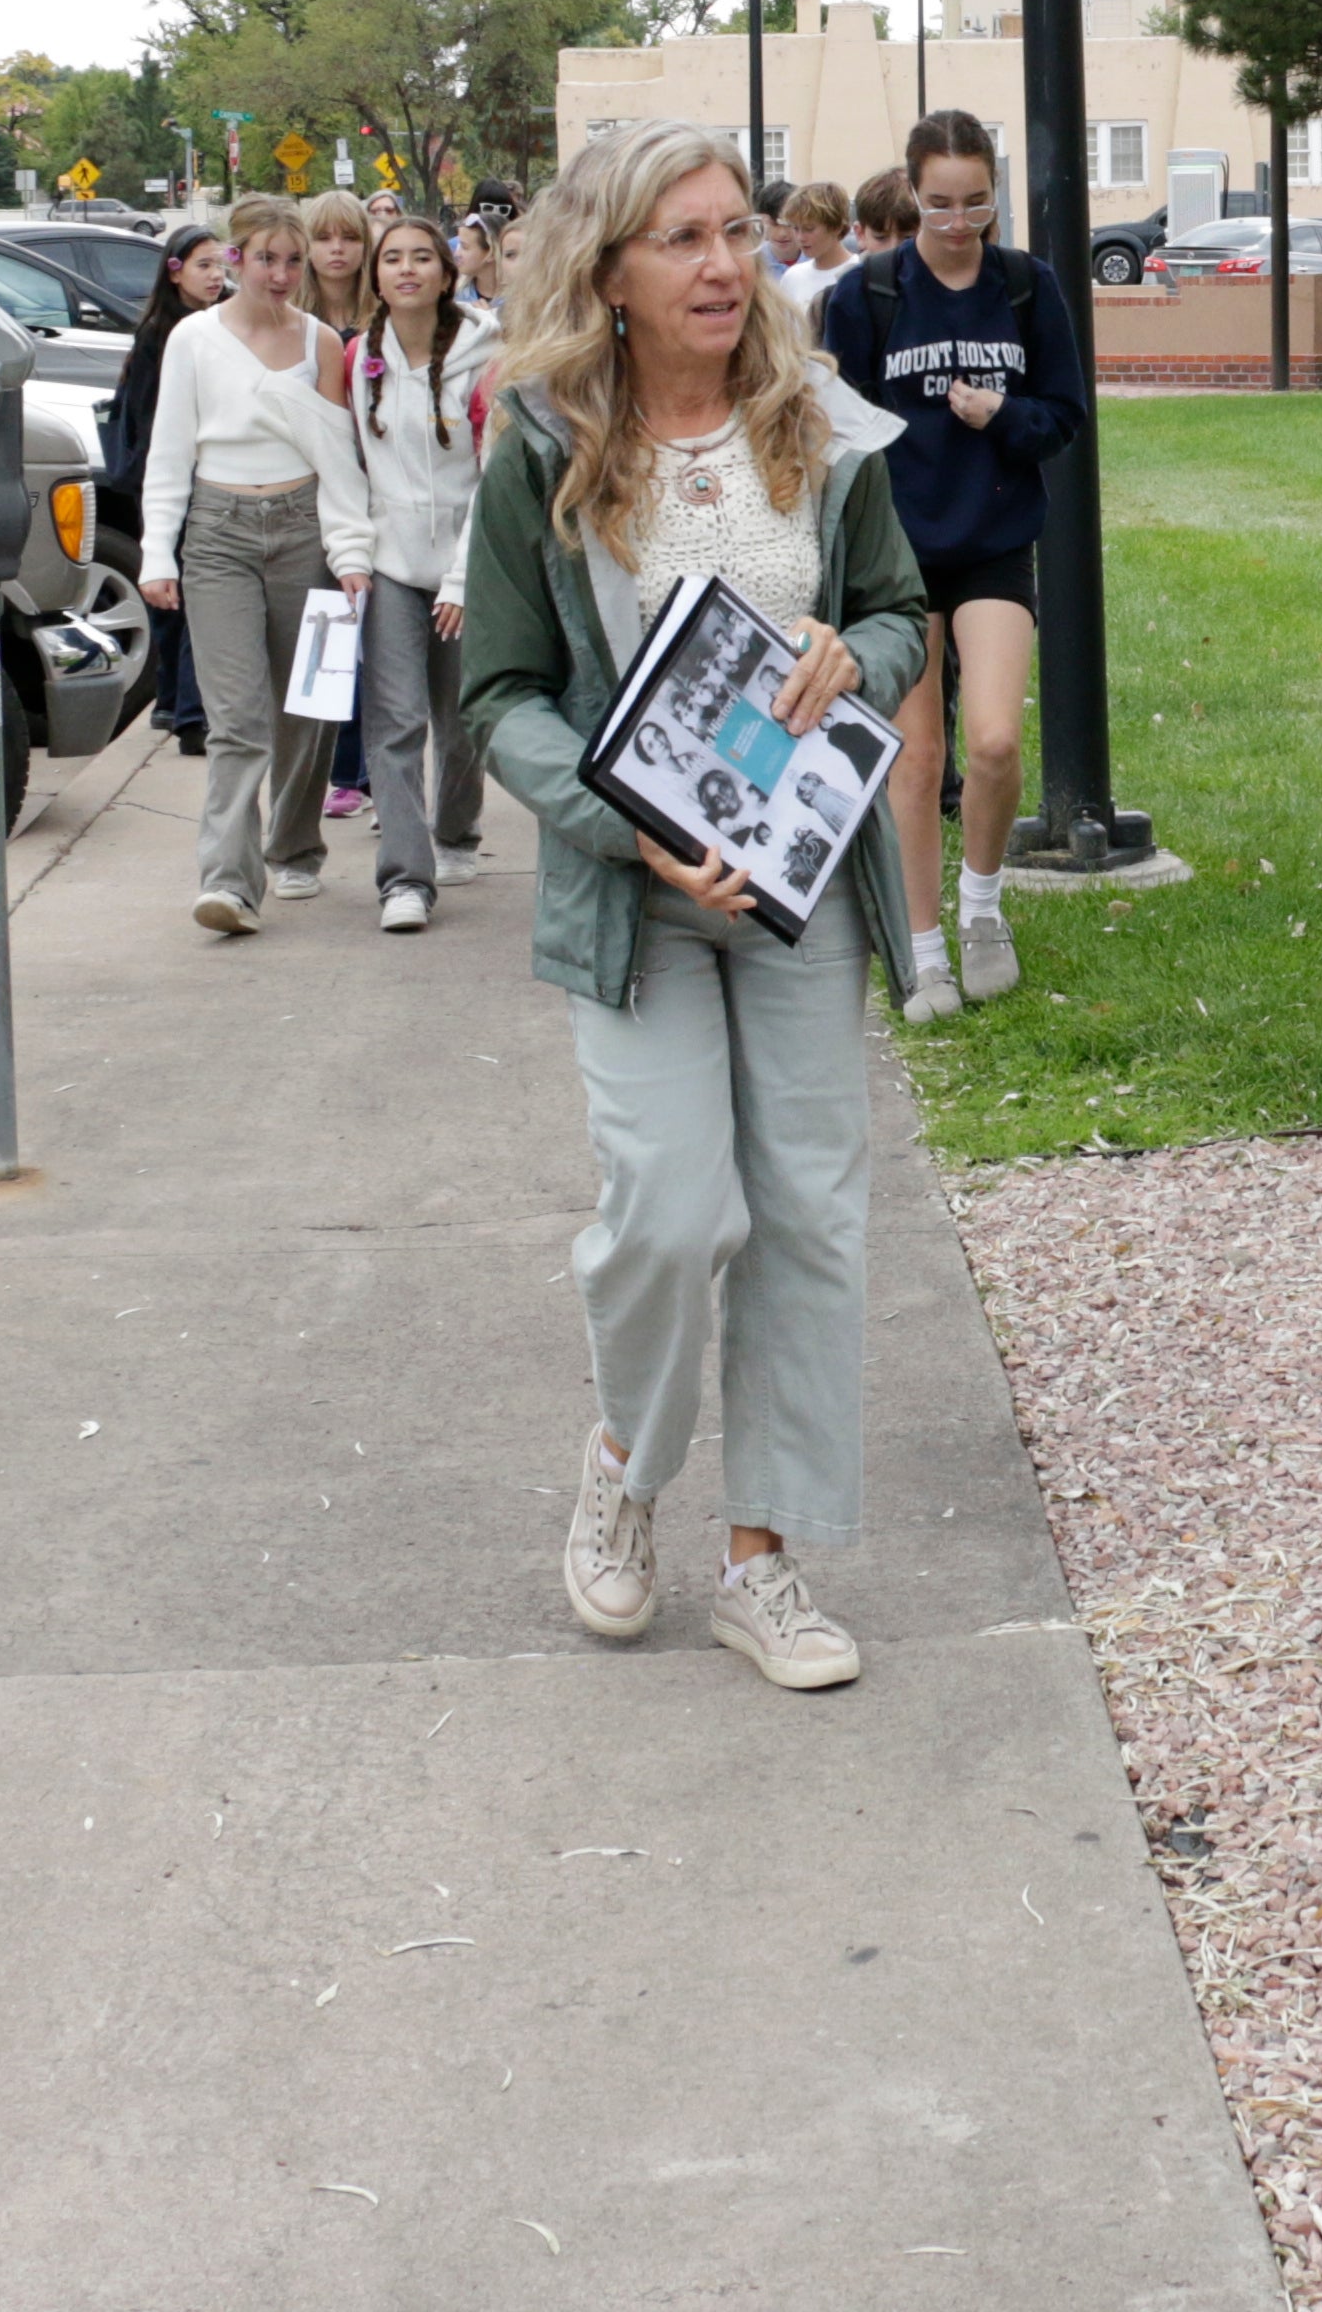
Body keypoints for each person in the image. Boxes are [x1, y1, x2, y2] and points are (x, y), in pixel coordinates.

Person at [460, 123, 930, 1692]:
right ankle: (626, 1459)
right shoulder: (541, 449)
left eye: (736, 232)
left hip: (800, 895)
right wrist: (617, 823)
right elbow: (505, 694)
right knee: (668, 1211)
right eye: (686, 240)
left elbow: (900, 609)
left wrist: (861, 653)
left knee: (808, 1214)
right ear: (609, 272)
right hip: (639, 897)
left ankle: (763, 1559)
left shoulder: (821, 426)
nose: (727, 265)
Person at [817, 109, 1083, 1020]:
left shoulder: (1025, 287)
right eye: (939, 203)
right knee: (915, 757)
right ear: (912, 190)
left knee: (996, 742)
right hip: (895, 556)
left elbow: (1062, 417)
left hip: (995, 541)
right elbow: (831, 425)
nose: (958, 221)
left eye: (975, 203)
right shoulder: (868, 294)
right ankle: (923, 953)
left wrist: (1000, 417)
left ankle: (981, 908)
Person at [130, 195, 369, 933]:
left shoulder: (323, 343)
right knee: (237, 721)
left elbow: (339, 461)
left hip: (305, 529)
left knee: (310, 708)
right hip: (218, 532)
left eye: (294, 261)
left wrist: (351, 551)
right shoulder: (195, 340)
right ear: (236, 259)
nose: (283, 274)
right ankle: (230, 882)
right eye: (267, 258)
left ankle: (295, 848)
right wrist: (155, 553)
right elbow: (169, 451)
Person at [337, 206, 498, 923]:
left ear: (448, 270)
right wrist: (352, 554)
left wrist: (463, 579)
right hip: (391, 563)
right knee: (395, 721)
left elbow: (494, 482)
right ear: (377, 275)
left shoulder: (488, 356)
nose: (407, 268)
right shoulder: (355, 359)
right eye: (393, 257)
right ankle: (405, 877)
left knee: (461, 722)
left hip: (469, 564)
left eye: (422, 257)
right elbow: (343, 467)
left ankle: (457, 831)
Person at [96, 220, 234, 755]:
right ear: (174, 273)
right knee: (184, 595)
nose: (215, 276)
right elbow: (157, 420)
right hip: (170, 480)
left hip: (182, 479)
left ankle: (174, 704)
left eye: (220, 265)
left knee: (178, 598)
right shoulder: (166, 333)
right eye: (203, 265)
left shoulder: (211, 325)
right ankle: (189, 714)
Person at [296, 188, 383, 817]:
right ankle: (340, 770)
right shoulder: (288, 318)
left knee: (384, 639)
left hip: (381, 493)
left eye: (348, 238)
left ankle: (380, 770)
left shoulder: (385, 317)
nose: (337, 250)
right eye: (324, 238)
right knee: (326, 633)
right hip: (308, 495)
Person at [766, 179, 858, 335]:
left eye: (809, 229)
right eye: (795, 228)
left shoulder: (858, 272)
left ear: (835, 227)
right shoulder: (792, 277)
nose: (800, 237)